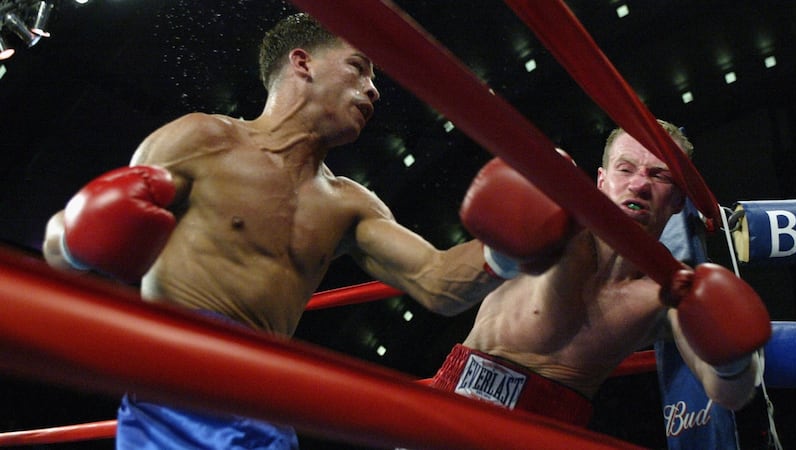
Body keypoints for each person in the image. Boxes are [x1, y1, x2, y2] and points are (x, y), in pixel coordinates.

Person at [41, 13, 503, 449]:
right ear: (303, 63)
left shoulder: (349, 203)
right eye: (358, 68)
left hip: (265, 400)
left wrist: (513, 243)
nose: (373, 89)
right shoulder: (203, 140)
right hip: (177, 390)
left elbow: (438, 281)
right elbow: (58, 248)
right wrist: (78, 237)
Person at [430, 120, 763, 427]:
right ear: (602, 181)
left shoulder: (671, 290)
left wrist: (734, 364)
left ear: (679, 199)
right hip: (461, 398)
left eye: (659, 175)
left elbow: (728, 393)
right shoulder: (553, 222)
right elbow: (446, 282)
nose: (639, 184)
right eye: (625, 169)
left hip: (551, 429)